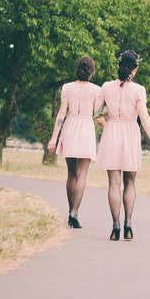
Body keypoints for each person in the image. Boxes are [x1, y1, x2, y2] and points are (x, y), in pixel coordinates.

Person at [95, 51, 150, 241]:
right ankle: (128, 223)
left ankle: (115, 225)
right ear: (135, 69)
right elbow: (144, 117)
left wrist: (106, 125)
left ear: (119, 66)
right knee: (130, 182)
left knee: (113, 183)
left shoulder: (106, 87)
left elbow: (96, 113)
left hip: (112, 132)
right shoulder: (139, 90)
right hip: (131, 133)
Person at [47, 56, 103, 229]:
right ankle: (74, 212)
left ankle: (70, 210)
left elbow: (61, 114)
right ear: (92, 72)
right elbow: (98, 116)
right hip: (86, 128)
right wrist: (109, 128)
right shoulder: (96, 90)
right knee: (82, 174)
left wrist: (53, 138)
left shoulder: (67, 87)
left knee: (71, 173)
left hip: (70, 127)